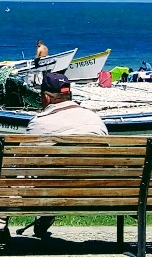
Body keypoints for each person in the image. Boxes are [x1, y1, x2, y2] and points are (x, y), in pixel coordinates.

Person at [18, 73, 108, 237]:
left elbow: (24, 161)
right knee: (56, 172)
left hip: (53, 187)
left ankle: (0, 227)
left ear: (46, 97)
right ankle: (43, 221)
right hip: (96, 188)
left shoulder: (40, 122)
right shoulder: (94, 118)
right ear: (69, 94)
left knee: (22, 172)